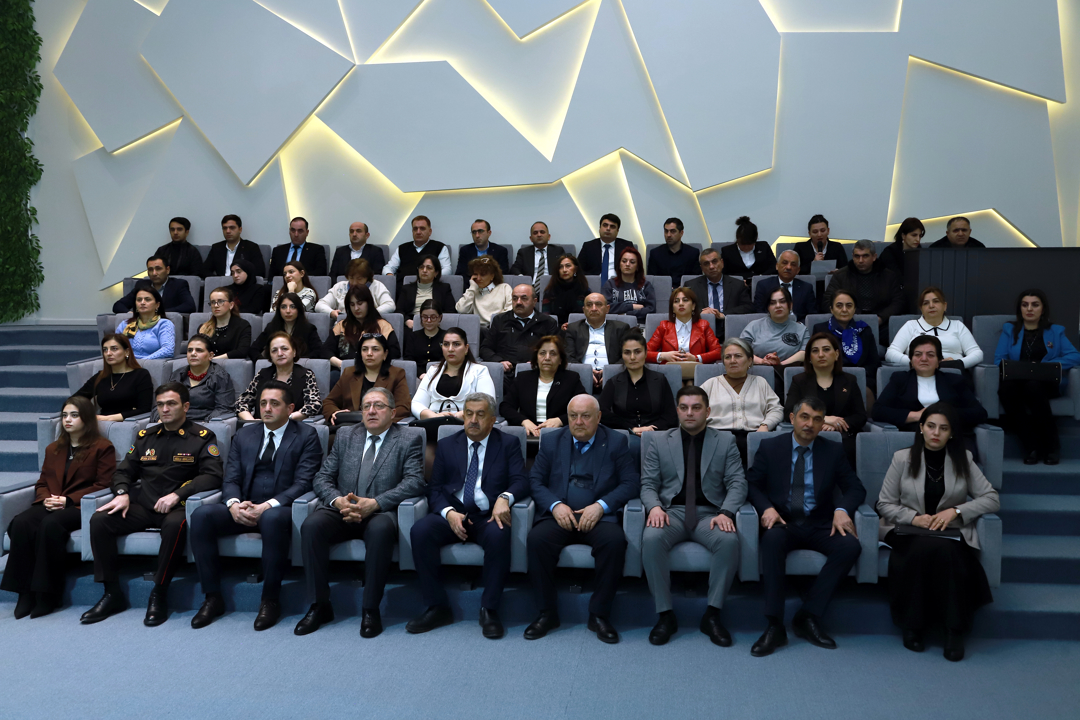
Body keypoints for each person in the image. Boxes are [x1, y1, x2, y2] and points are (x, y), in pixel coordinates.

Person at [82, 382, 224, 626]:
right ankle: (111, 592)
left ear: (185, 406)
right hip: (144, 505)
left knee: (175, 525)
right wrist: (122, 493)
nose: (164, 409)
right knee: (100, 519)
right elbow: (123, 471)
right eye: (160, 405)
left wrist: (178, 494)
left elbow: (213, 475)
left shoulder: (201, 437)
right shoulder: (145, 437)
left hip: (177, 506)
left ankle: (159, 592)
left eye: (171, 404)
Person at [190, 382, 323, 631]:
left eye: (274, 403)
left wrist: (267, 506)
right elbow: (231, 478)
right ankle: (212, 597)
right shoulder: (244, 434)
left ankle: (270, 600)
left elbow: (304, 482)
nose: (267, 408)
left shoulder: (306, 435)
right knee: (202, 515)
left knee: (271, 519)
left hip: (280, 509)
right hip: (244, 505)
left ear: (290, 408)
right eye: (263, 403)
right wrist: (233, 505)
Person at [295, 387, 425, 638]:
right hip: (342, 508)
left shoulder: (408, 438)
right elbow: (322, 477)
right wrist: (338, 501)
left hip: (379, 512)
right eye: (366, 406)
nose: (371, 411)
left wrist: (375, 503)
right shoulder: (346, 435)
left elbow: (415, 481)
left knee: (380, 530)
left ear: (393, 413)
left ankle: (370, 609)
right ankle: (319, 605)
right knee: (312, 525)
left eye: (379, 406)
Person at [875, 403, 999, 661]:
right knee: (928, 549)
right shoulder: (902, 458)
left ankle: (953, 631)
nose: (936, 433)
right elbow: (884, 504)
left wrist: (955, 511)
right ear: (921, 428)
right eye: (931, 426)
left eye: (944, 428)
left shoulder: (963, 459)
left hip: (948, 531)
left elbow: (991, 498)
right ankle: (914, 626)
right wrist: (914, 518)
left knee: (946, 551)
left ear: (951, 433)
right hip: (908, 529)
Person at [746, 396, 866, 656]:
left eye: (817, 419)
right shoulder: (771, 447)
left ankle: (808, 615)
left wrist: (842, 510)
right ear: (792, 418)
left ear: (823, 424)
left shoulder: (833, 451)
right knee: (772, 540)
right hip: (784, 521)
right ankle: (774, 624)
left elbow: (855, 488)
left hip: (820, 522)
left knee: (849, 546)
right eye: (804, 417)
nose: (810, 424)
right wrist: (766, 508)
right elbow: (752, 484)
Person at [406, 394, 528, 639]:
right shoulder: (448, 444)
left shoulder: (508, 443)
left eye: (480, 414)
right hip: (453, 512)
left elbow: (521, 481)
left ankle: (489, 609)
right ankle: (437, 606)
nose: (473, 420)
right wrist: (449, 513)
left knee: (499, 534)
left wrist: (505, 497)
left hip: (487, 514)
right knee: (420, 531)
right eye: (469, 413)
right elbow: (435, 488)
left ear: (492, 419)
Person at [524, 394, 641, 644]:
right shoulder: (552, 440)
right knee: (536, 540)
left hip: (598, 517)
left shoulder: (616, 441)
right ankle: (547, 613)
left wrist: (600, 506)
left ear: (598, 417)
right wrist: (555, 506)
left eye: (585, 416)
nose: (578, 422)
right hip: (559, 514)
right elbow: (534, 481)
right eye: (573, 416)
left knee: (614, 543)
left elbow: (631, 482)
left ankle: (599, 614)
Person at [640, 386, 746, 646]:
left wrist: (726, 512)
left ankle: (712, 614)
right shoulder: (659, 441)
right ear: (677, 411)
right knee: (651, 539)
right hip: (671, 512)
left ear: (707, 411)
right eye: (684, 408)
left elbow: (737, 482)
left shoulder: (725, 441)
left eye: (696, 408)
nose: (690, 413)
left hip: (710, 514)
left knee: (728, 541)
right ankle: (665, 615)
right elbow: (648, 483)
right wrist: (654, 507)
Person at [1, 396, 114, 619]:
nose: (67, 420)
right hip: (52, 501)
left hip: (79, 506)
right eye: (64, 415)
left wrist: (68, 500)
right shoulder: (53, 448)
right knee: (21, 523)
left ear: (86, 418)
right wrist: (45, 499)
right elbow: (42, 481)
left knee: (50, 525)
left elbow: (103, 484)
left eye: (74, 415)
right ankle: (24, 592)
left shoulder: (102, 447)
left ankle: (47, 594)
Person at [995, 289, 1080, 464]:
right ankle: (1031, 446)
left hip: (1045, 382)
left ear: (1043, 309)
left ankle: (1051, 446)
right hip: (1017, 381)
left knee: (1033, 386)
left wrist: (1047, 365)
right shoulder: (1009, 330)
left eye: (1035, 305)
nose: (1029, 309)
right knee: (1006, 389)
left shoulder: (1055, 331)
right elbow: (999, 360)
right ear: (1020, 309)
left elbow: (1075, 356)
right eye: (1025, 305)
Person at [873, 336, 988, 433]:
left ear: (939, 361)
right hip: (913, 436)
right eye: (918, 354)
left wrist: (944, 414)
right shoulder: (900, 379)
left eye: (930, 355)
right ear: (911, 360)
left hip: (950, 436)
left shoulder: (954, 380)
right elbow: (878, 411)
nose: (924, 359)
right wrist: (916, 415)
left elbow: (979, 413)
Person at [784, 333, 866, 464]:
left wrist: (837, 425)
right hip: (809, 436)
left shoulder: (849, 380)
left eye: (826, 349)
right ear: (809, 358)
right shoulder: (799, 380)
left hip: (843, 438)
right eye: (815, 351)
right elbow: (789, 411)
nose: (821, 355)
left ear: (836, 354)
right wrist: (823, 419)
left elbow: (860, 416)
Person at [700, 338, 783, 464]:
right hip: (717, 438)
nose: (732, 360)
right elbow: (695, 409)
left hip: (754, 436)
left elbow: (776, 409)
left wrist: (765, 425)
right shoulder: (710, 384)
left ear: (749, 360)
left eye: (738, 356)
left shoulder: (760, 382)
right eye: (728, 357)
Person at [600, 330, 678, 460]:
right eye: (627, 352)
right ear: (622, 355)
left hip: (657, 433)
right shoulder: (614, 382)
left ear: (646, 353)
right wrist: (631, 428)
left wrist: (651, 429)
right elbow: (601, 412)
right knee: (632, 447)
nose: (632, 357)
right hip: (626, 435)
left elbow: (671, 416)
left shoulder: (659, 380)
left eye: (637, 352)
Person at [411, 327, 496, 441]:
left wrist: (455, 417)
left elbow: (487, 402)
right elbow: (417, 403)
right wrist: (434, 417)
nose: (450, 349)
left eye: (456, 344)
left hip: (467, 426)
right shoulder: (432, 371)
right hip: (433, 426)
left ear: (466, 348)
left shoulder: (480, 371)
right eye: (446, 344)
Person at [501, 335, 586, 438]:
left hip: (560, 433)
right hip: (528, 433)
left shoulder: (571, 379)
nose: (547, 358)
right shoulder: (523, 378)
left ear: (560, 360)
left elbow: (584, 407)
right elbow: (505, 407)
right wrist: (524, 421)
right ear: (536, 358)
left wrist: (560, 420)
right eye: (542, 353)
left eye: (553, 354)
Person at [323, 333, 412, 425]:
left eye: (375, 349)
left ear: (385, 354)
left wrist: (376, 417)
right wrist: (335, 412)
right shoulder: (349, 373)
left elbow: (403, 407)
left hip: (380, 426)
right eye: (365, 349)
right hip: (350, 425)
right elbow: (329, 401)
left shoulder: (396, 374)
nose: (369, 353)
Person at [886, 287, 982, 369]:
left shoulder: (957, 325)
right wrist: (916, 362)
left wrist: (956, 364)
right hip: (920, 371)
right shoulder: (911, 326)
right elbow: (891, 353)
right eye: (926, 303)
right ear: (921, 309)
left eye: (936, 301)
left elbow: (977, 353)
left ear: (945, 306)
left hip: (952, 372)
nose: (931, 306)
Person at [236, 332, 322, 421]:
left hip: (292, 425)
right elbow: (241, 403)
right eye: (274, 350)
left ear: (294, 352)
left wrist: (287, 418)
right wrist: (252, 421)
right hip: (262, 425)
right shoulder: (262, 374)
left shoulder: (305, 375)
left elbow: (314, 404)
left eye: (284, 349)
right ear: (270, 356)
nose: (280, 353)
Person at [480, 284, 560, 380]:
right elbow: (485, 348)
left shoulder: (547, 322)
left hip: (536, 372)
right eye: (515, 298)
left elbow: (556, 351)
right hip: (505, 374)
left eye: (524, 298)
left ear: (534, 301)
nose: (518, 302)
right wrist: (499, 361)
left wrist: (538, 361)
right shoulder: (500, 320)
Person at [821, 239, 904, 327]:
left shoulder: (888, 276)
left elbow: (898, 301)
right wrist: (851, 315)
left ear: (874, 257)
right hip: (848, 323)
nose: (860, 260)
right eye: (857, 256)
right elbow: (827, 301)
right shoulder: (840, 275)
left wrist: (881, 317)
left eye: (865, 256)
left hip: (882, 323)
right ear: (852, 257)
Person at [811, 290, 880, 394]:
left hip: (861, 378)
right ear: (831, 309)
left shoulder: (864, 330)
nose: (844, 309)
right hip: (830, 376)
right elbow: (816, 359)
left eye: (849, 306)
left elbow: (874, 362)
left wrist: (858, 374)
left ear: (854, 309)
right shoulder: (820, 329)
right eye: (839, 306)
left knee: (865, 391)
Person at [155, 334, 235, 422]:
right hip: (175, 423)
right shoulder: (178, 375)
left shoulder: (219, 376)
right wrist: (160, 418)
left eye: (199, 350)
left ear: (210, 355)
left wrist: (206, 423)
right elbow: (160, 402)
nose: (193, 354)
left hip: (203, 424)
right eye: (190, 350)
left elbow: (224, 409)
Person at [75, 334, 154, 421]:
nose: (108, 353)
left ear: (127, 352)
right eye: (105, 350)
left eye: (114, 349)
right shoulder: (101, 376)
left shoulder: (141, 375)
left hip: (128, 423)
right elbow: (75, 400)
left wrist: (109, 418)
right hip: (101, 423)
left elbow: (145, 409)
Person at [646, 287, 722, 375]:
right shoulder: (663, 326)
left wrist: (696, 358)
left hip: (696, 373)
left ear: (693, 306)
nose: (681, 304)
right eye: (676, 301)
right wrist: (664, 355)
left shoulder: (704, 326)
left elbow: (718, 351)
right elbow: (644, 352)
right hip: (670, 373)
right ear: (673, 309)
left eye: (685, 300)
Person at [322, 285, 399, 370]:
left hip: (374, 371)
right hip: (343, 370)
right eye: (352, 305)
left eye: (360, 303)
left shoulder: (383, 326)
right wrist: (341, 364)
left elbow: (394, 352)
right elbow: (326, 351)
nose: (356, 308)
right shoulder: (342, 326)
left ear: (368, 303)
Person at [564, 293, 629, 392]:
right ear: (584, 310)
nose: (594, 308)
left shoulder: (621, 328)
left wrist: (610, 372)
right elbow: (568, 357)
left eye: (598, 304)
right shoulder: (573, 328)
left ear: (607, 309)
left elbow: (627, 355)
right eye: (589, 305)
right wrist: (585, 372)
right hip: (579, 377)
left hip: (615, 377)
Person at [742, 287, 810, 383]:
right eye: (773, 303)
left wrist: (780, 364)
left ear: (790, 305)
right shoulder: (754, 326)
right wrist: (762, 361)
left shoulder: (801, 329)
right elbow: (741, 351)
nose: (778, 306)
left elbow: (804, 353)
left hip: (789, 376)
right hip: (756, 374)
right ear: (768, 307)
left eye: (782, 301)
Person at [684, 247, 754, 337]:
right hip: (700, 332)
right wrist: (701, 314)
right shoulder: (691, 286)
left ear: (722, 263)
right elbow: (684, 308)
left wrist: (723, 315)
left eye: (714, 261)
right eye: (706, 264)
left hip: (730, 331)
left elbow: (748, 307)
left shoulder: (737, 284)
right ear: (702, 268)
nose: (711, 267)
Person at [249, 293, 324, 361]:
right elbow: (253, 349)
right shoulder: (271, 327)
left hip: (300, 367)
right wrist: (266, 362)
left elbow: (318, 351)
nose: (288, 311)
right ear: (279, 310)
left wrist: (299, 361)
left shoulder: (309, 328)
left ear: (299, 309)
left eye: (293, 307)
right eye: (284, 307)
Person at [384, 215, 453, 288]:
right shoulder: (401, 248)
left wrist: (429, 277)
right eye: (415, 229)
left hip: (429, 288)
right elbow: (388, 268)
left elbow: (447, 270)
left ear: (430, 231)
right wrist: (391, 278)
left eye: (422, 229)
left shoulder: (440, 247)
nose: (418, 232)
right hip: (403, 289)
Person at [113, 256, 196, 314]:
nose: (154, 273)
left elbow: (189, 306)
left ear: (167, 270)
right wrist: (130, 313)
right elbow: (118, 305)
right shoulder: (141, 285)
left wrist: (157, 313)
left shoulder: (179, 284)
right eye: (150, 270)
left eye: (158, 269)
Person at [316, 257, 395, 319]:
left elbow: (390, 305)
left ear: (367, 278)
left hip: (368, 325)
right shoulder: (339, 287)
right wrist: (331, 312)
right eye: (351, 278)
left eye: (359, 279)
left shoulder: (377, 286)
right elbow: (320, 305)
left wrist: (370, 314)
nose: (354, 283)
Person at [752, 250, 815, 321]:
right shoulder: (763, 285)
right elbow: (759, 312)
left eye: (793, 264)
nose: (788, 267)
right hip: (771, 324)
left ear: (798, 270)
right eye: (785, 263)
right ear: (777, 266)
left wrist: (799, 325)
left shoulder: (806, 288)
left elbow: (811, 315)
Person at [397, 255, 457, 329]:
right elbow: (399, 310)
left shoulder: (444, 288)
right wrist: (407, 321)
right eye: (421, 267)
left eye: (429, 268)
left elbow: (451, 311)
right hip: (413, 325)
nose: (424, 270)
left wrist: (437, 321)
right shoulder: (407, 289)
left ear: (436, 273)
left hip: (436, 325)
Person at [115, 286, 174, 360]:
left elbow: (168, 350)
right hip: (126, 363)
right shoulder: (125, 324)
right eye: (139, 300)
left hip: (151, 364)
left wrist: (143, 361)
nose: (142, 303)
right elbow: (114, 347)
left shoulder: (164, 324)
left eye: (147, 299)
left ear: (157, 305)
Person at [509, 221, 567, 293]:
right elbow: (514, 269)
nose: (539, 235)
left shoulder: (558, 251)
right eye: (535, 233)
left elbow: (564, 267)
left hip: (553, 286)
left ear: (549, 237)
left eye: (542, 232)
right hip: (530, 288)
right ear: (531, 238)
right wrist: (524, 279)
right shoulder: (524, 252)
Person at [456, 255, 513, 328]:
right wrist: (472, 287)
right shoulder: (472, 291)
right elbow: (461, 310)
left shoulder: (504, 288)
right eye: (475, 274)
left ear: (492, 276)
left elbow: (510, 311)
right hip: (478, 329)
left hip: (498, 327)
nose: (478, 278)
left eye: (483, 274)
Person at [602, 245, 655, 322]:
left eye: (632, 262)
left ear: (637, 267)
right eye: (624, 261)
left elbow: (651, 309)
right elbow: (605, 308)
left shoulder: (646, 285)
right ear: (619, 265)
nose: (627, 264)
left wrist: (625, 314)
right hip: (615, 324)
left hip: (639, 325)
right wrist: (632, 306)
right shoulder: (610, 284)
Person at [196, 287, 252, 358]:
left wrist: (214, 359)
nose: (216, 305)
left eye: (220, 301)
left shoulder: (242, 325)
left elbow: (242, 351)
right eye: (213, 302)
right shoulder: (204, 328)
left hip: (231, 363)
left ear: (231, 305)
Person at [578, 213, 632, 285]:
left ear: (617, 231)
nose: (608, 229)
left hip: (620, 285)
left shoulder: (626, 246)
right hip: (594, 285)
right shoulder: (588, 246)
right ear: (599, 229)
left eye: (612, 226)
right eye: (605, 225)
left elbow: (635, 269)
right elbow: (579, 269)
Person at [720, 216, 775, 281]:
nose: (746, 247)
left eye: (749, 245)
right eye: (742, 245)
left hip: (762, 283)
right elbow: (723, 273)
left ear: (755, 240)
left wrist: (759, 278)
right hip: (736, 285)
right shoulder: (727, 251)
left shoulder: (764, 247)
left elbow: (774, 267)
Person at [648, 217, 700, 286]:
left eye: (673, 231)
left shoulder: (693, 253)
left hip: (686, 290)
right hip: (662, 290)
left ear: (681, 233)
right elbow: (651, 280)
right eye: (666, 231)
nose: (668, 235)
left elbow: (696, 279)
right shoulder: (655, 254)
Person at [541, 254, 589, 326]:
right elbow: (546, 316)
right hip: (555, 328)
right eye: (561, 267)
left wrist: (572, 326)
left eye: (568, 266)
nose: (564, 270)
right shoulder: (550, 291)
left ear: (575, 269)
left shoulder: (584, 290)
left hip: (579, 328)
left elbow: (589, 315)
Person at [876, 216, 924, 282]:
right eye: (914, 235)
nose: (918, 239)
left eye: (920, 236)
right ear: (903, 236)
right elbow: (895, 278)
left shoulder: (921, 251)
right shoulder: (890, 253)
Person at [403, 300, 447, 368]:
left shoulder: (447, 336)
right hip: (417, 373)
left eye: (433, 317)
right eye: (425, 317)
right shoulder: (413, 336)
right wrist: (420, 373)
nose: (429, 321)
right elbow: (409, 361)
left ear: (440, 318)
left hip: (440, 371)